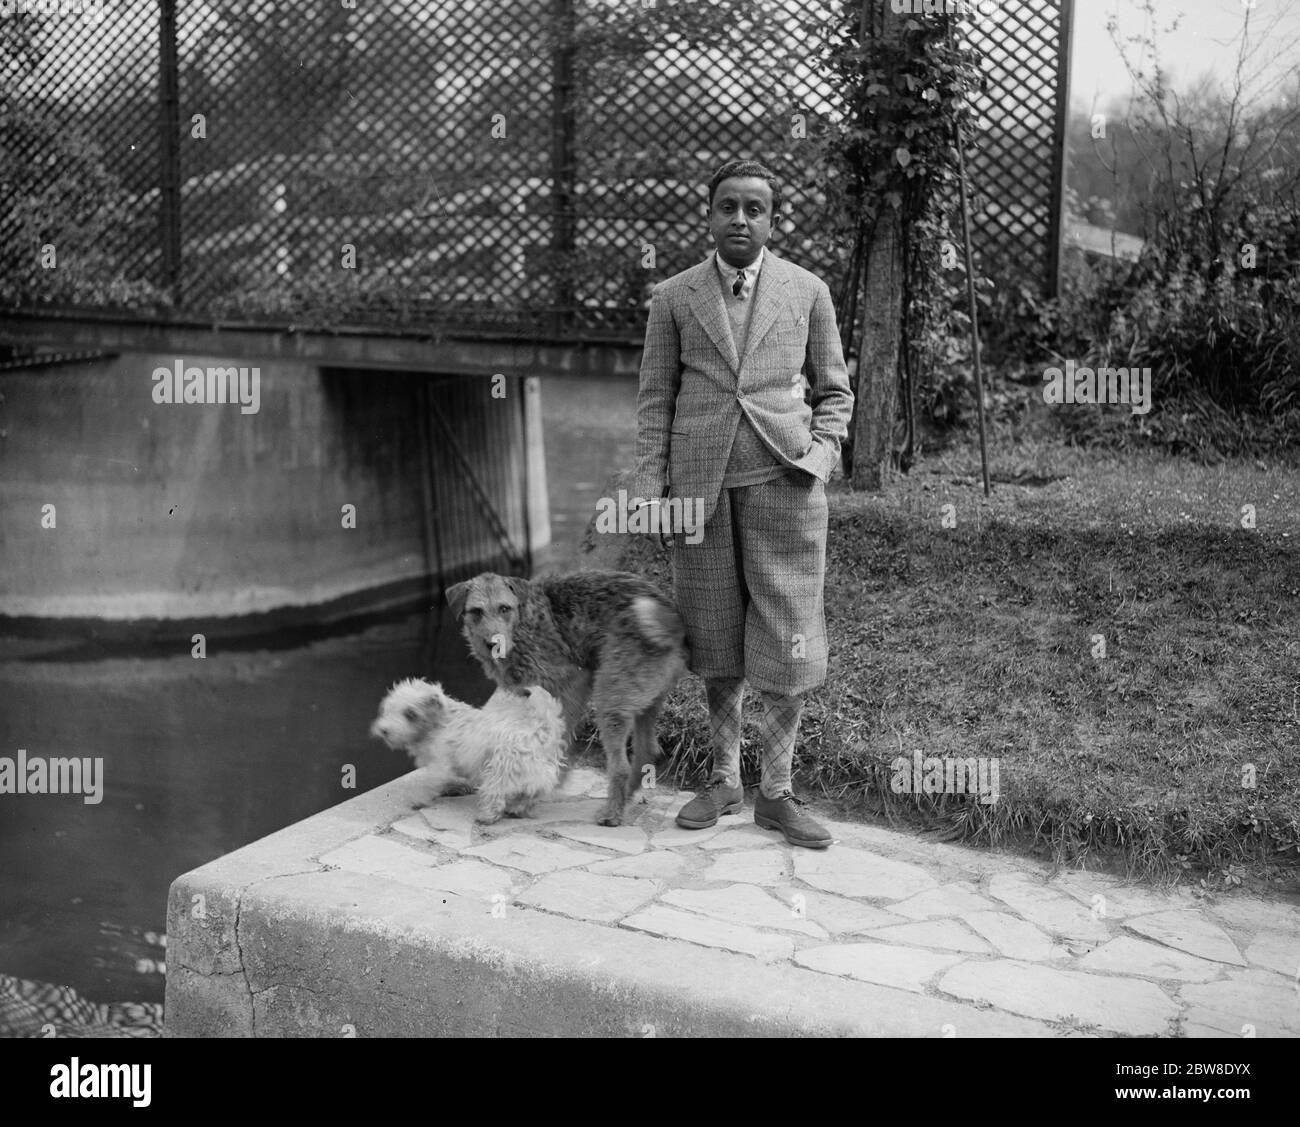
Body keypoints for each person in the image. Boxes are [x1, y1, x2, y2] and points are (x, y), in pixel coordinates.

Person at [633, 159, 854, 848]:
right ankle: (726, 776)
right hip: (699, 495)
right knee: (716, 640)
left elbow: (835, 392)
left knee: (787, 639)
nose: (739, 219)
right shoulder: (673, 297)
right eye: (727, 205)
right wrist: (650, 490)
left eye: (753, 208)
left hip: (783, 488)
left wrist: (817, 461)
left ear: (770, 219)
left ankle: (777, 792)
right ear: (709, 214)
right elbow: (653, 403)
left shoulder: (807, 291)